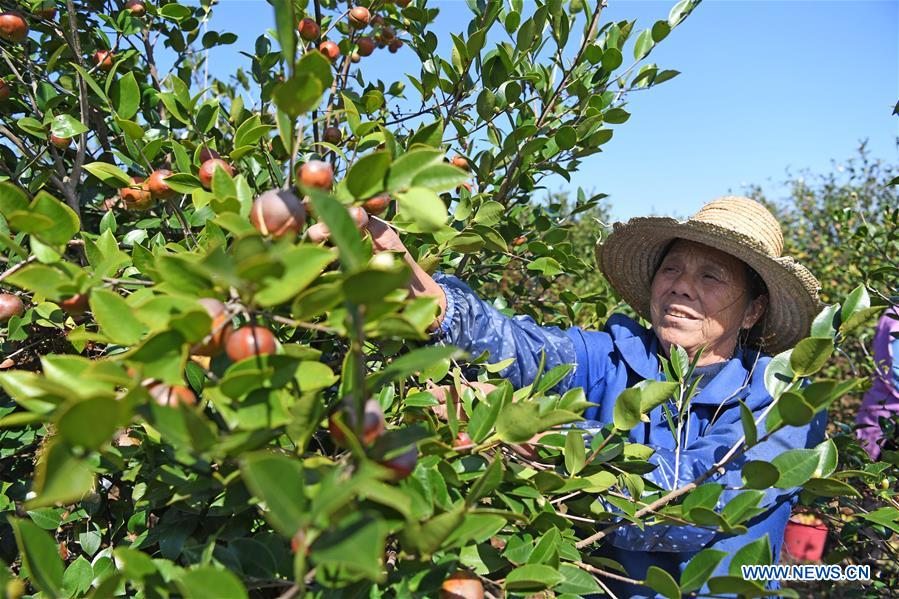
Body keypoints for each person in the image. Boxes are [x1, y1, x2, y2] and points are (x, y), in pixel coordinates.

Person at [367, 196, 826, 597]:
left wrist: (549, 434)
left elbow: (696, 505)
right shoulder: (609, 355)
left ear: (753, 309)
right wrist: (432, 303)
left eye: (711, 277)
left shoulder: (783, 400)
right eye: (672, 268)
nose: (682, 285)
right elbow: (523, 348)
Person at [856, 306, 899, 460]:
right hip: (886, 417)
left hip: (877, 411)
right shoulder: (895, 319)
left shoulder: (892, 313)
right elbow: (895, 372)